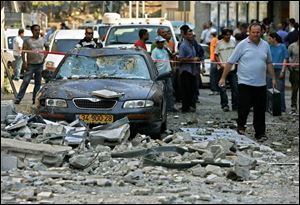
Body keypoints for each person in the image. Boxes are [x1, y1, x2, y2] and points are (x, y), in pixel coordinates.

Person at [218, 23, 277, 142]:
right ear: (249, 32)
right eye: (253, 32)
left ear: (261, 32)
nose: (256, 34)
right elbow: (230, 62)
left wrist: (274, 78)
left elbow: (269, 62)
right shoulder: (242, 45)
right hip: (245, 83)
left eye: (258, 32)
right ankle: (241, 127)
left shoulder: (265, 45)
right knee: (244, 107)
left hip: (261, 83)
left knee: (260, 110)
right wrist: (223, 77)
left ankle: (260, 133)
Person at [14, 24, 50, 105]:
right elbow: (23, 52)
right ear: (32, 31)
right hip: (30, 65)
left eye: (38, 30)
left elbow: (47, 48)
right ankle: (18, 98)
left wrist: (44, 57)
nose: (37, 32)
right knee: (25, 82)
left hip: (40, 65)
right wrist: (24, 62)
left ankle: (35, 100)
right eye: (35, 30)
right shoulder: (27, 41)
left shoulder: (43, 40)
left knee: (38, 83)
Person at [214, 28, 238, 112]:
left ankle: (235, 105)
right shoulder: (219, 43)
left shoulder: (233, 43)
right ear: (223, 35)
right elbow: (215, 55)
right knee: (222, 88)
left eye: (229, 35)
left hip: (232, 69)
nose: (228, 36)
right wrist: (220, 64)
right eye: (226, 35)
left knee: (235, 87)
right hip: (222, 69)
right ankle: (225, 105)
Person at [151, 36, 177, 112]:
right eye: (161, 42)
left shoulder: (165, 50)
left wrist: (168, 51)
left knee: (170, 90)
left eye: (163, 42)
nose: (162, 44)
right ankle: (162, 108)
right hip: (160, 74)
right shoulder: (155, 51)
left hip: (168, 72)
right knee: (161, 92)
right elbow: (153, 62)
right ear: (157, 43)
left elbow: (171, 56)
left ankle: (170, 107)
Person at [178, 29, 200, 112]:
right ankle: (185, 107)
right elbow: (181, 59)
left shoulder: (192, 45)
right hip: (185, 71)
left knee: (192, 89)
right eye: (189, 35)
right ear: (185, 36)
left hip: (192, 71)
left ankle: (190, 105)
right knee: (186, 90)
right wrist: (192, 59)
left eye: (192, 35)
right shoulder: (183, 46)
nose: (191, 36)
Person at [267, 32, 289, 113]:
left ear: (274, 38)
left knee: (280, 89)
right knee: (269, 88)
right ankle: (269, 107)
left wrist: (283, 71)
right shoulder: (269, 47)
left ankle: (282, 107)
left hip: (279, 69)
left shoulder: (282, 47)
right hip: (270, 70)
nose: (268, 40)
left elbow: (285, 59)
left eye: (269, 38)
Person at [287, 36, 299, 115]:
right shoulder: (292, 46)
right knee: (295, 89)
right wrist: (290, 66)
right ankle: (293, 107)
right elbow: (287, 57)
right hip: (295, 71)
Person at [209, 31, 219, 95]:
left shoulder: (214, 40)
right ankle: (215, 89)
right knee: (215, 75)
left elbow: (215, 50)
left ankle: (214, 89)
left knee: (213, 75)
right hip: (214, 59)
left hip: (213, 60)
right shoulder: (216, 40)